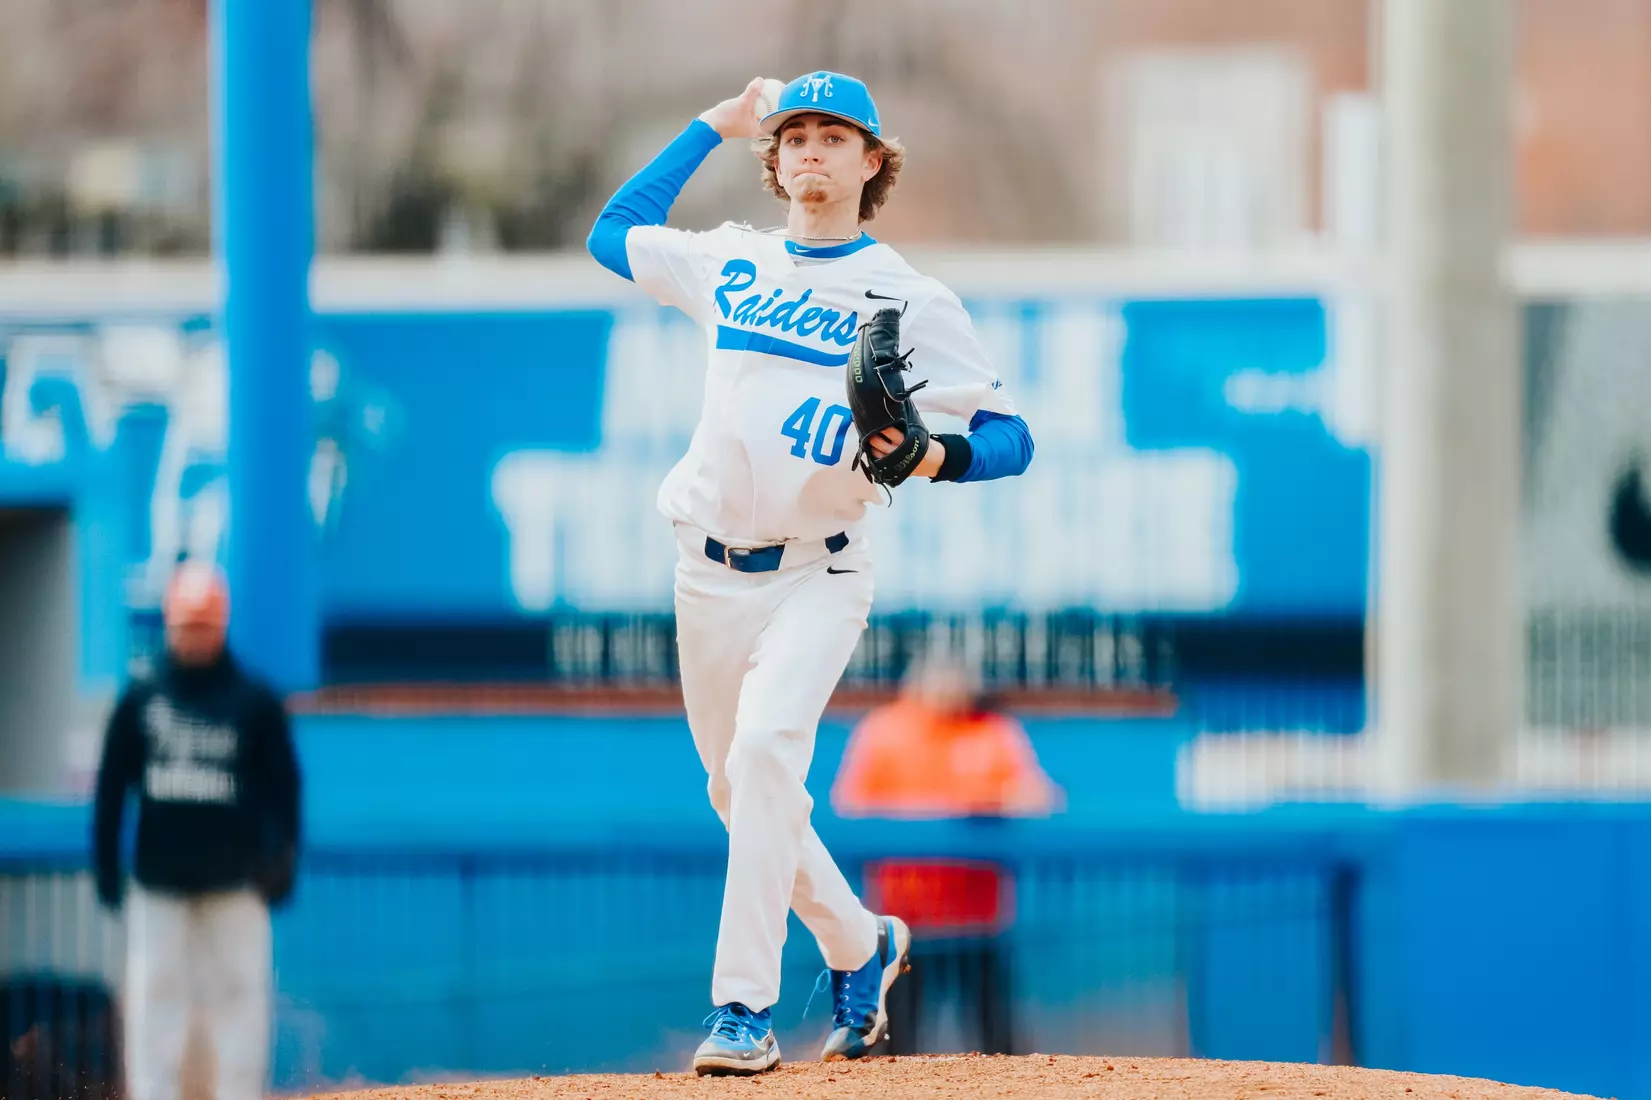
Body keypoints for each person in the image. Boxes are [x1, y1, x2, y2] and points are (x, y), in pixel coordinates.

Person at [587, 71, 1035, 1075]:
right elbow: (612, 231)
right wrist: (714, 120)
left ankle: (741, 1010)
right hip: (703, 572)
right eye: (795, 135)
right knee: (739, 790)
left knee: (764, 759)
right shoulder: (730, 263)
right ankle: (858, 941)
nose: (811, 150)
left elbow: (1011, 438)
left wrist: (932, 456)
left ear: (872, 162)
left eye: (835, 135)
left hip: (817, 572)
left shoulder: (911, 296)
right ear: (775, 158)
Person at [91, 561, 301, 1100]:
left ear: (223, 624)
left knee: (240, 999)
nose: (196, 636)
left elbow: (284, 789)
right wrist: (105, 866)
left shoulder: (254, 702)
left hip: (235, 880)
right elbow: (113, 785)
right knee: (155, 997)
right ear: (169, 623)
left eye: (205, 625)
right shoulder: (142, 697)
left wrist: (283, 859)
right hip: (159, 880)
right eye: (187, 625)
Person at [833, 654, 1061, 820]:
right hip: (904, 876)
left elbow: (1039, 798)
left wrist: (988, 803)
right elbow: (851, 803)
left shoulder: (993, 730)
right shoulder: (883, 729)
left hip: (975, 874)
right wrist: (946, 808)